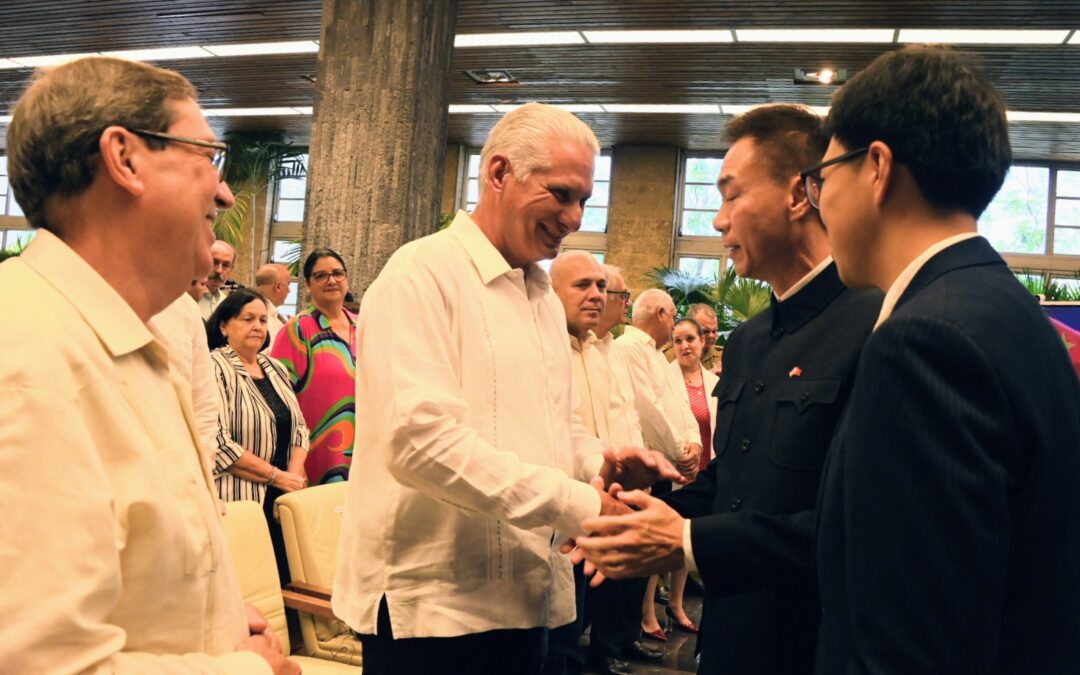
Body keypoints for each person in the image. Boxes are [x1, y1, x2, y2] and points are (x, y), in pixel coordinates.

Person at [332, 103, 680, 675]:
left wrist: (601, 460)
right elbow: (421, 445)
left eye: (584, 201)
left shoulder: (542, 297)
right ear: (498, 174)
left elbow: (556, 425)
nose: (573, 217)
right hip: (436, 609)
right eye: (561, 194)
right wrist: (580, 505)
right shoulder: (419, 274)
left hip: (530, 596)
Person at [0, 56, 298, 673]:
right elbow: (38, 662)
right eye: (207, 157)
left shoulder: (140, 333)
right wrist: (248, 669)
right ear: (125, 159)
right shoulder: (29, 360)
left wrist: (212, 614)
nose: (223, 191)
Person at [574, 103, 882, 675]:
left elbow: (859, 524)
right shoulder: (752, 339)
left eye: (731, 196)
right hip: (728, 635)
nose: (718, 222)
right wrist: (637, 509)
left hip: (811, 643)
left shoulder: (876, 325)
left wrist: (688, 543)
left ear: (798, 195)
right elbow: (733, 480)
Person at [807, 45, 1080, 674]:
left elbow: (912, 643)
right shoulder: (1007, 308)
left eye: (823, 179)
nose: (820, 204)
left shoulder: (924, 342)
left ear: (876, 166)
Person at [548, 251, 662, 675]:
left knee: (580, 609)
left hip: (602, 495)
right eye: (583, 286)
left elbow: (620, 419)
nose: (596, 295)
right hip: (561, 505)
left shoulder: (599, 352)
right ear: (549, 292)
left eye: (601, 286)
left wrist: (625, 474)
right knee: (558, 627)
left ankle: (596, 655)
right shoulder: (546, 350)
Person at [207, 288, 310, 584]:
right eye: (247, 319)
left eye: (263, 320)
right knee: (249, 582)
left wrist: (291, 480)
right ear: (224, 326)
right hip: (241, 494)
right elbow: (220, 443)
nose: (257, 326)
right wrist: (278, 477)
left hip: (284, 495)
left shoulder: (275, 367)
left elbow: (300, 428)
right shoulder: (214, 367)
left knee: (285, 578)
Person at [270, 248, 356, 485]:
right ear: (307, 284)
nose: (331, 280)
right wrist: (294, 463)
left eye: (338, 273)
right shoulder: (298, 330)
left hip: (364, 453)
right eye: (321, 275)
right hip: (316, 454)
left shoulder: (363, 326)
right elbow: (279, 400)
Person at [665, 317, 719, 634]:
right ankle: (648, 612)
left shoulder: (713, 382)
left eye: (690, 339)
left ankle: (676, 602)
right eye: (678, 340)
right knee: (668, 538)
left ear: (702, 341)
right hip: (679, 465)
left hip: (706, 467)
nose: (685, 346)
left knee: (689, 542)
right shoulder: (666, 379)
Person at [663, 303, 723, 374]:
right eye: (705, 331)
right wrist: (709, 376)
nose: (711, 336)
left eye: (714, 331)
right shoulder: (666, 357)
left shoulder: (723, 357)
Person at [200, 239, 236, 319]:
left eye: (225, 265)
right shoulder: (184, 299)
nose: (219, 270)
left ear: (231, 270)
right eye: (214, 262)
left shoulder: (226, 303)